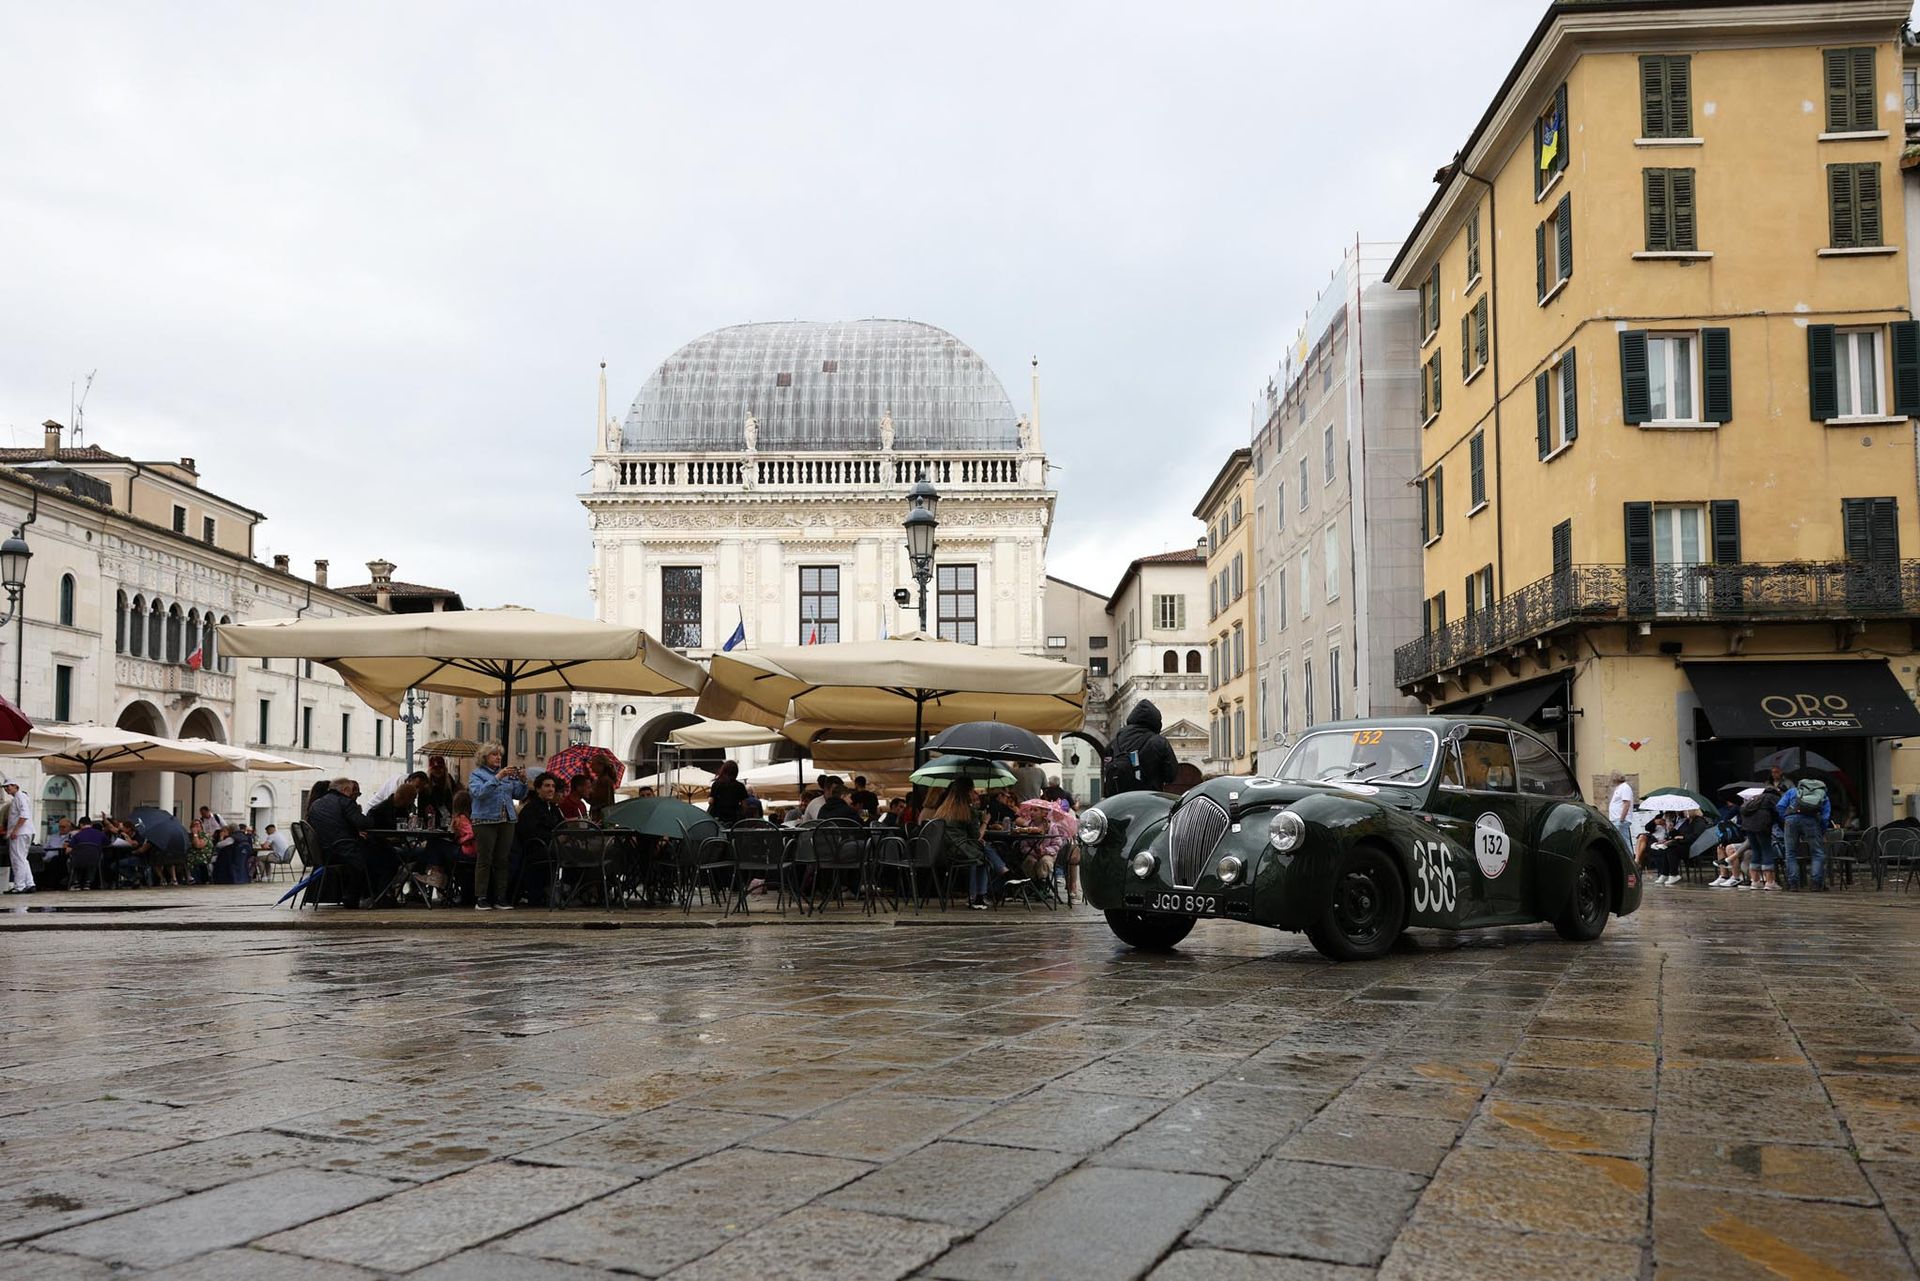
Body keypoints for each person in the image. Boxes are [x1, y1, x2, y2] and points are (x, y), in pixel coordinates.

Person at [926, 778, 1022, 909]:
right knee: (984, 858)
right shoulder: (966, 810)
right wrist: (985, 821)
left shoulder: (943, 809)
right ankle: (982, 895)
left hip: (943, 850)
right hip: (959, 849)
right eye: (972, 790)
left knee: (983, 848)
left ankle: (984, 889)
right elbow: (977, 835)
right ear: (967, 792)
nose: (974, 792)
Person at [308, 777, 385, 904]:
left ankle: (357, 894)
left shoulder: (316, 804)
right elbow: (362, 822)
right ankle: (366, 895)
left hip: (323, 853)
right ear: (345, 790)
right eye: (352, 792)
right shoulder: (345, 802)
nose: (353, 795)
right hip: (345, 851)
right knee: (380, 854)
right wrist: (375, 819)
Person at [468, 746, 528, 910]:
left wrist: (523, 781)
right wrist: (497, 777)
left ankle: (501, 897)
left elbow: (519, 795)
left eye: (500, 755)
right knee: (485, 859)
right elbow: (478, 793)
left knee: (502, 859)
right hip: (485, 819)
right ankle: (481, 897)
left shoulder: (506, 774)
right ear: (484, 757)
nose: (498, 757)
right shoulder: (477, 774)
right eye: (494, 754)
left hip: (506, 819)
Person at [513, 772, 565, 906]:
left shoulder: (554, 808)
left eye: (553, 786)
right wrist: (555, 838)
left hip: (554, 847)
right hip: (537, 851)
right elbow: (530, 833)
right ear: (538, 789)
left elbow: (562, 825)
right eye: (547, 786)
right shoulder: (531, 809)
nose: (551, 789)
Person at [1105, 702, 1177, 795]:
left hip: (1118, 800)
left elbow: (1107, 772)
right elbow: (1170, 775)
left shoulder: (1113, 743)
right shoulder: (1159, 742)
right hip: (1148, 799)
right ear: (1156, 721)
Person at [1777, 774, 1832, 891]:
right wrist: (1821, 830)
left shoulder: (1793, 791)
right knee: (1817, 853)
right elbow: (1826, 816)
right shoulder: (1822, 794)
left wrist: (1786, 819)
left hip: (1791, 820)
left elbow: (1780, 806)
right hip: (1811, 821)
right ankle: (1816, 884)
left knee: (1790, 853)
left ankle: (1793, 884)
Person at [2, 779, 33, 894]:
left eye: (8, 786)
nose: (6, 789)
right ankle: (30, 883)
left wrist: (15, 831)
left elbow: (24, 816)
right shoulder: (21, 797)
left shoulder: (19, 797)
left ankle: (19, 886)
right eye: (5, 787)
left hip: (20, 833)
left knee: (17, 859)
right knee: (23, 859)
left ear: (15, 786)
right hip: (25, 832)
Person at [65, 819, 109, 889]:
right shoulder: (100, 834)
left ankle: (76, 882)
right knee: (93, 862)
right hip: (95, 860)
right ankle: (88, 883)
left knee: (70, 862)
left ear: (81, 825)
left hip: (78, 860)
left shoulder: (77, 835)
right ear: (91, 824)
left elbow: (68, 851)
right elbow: (107, 844)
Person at [708, 761, 748, 825]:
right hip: (734, 819)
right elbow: (744, 806)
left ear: (723, 770)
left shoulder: (716, 784)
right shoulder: (740, 786)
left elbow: (711, 801)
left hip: (718, 818)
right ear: (736, 772)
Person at [1608, 773, 1635, 851]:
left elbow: (1626, 803)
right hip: (1616, 819)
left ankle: (1629, 860)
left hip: (1620, 820)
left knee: (1624, 842)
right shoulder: (1620, 788)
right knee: (1620, 842)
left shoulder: (1625, 787)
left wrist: (1621, 819)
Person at [588, 757, 618, 823]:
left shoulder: (604, 781)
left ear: (601, 765)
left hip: (601, 818)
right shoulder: (602, 780)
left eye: (593, 764)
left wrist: (584, 794)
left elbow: (596, 800)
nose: (590, 766)